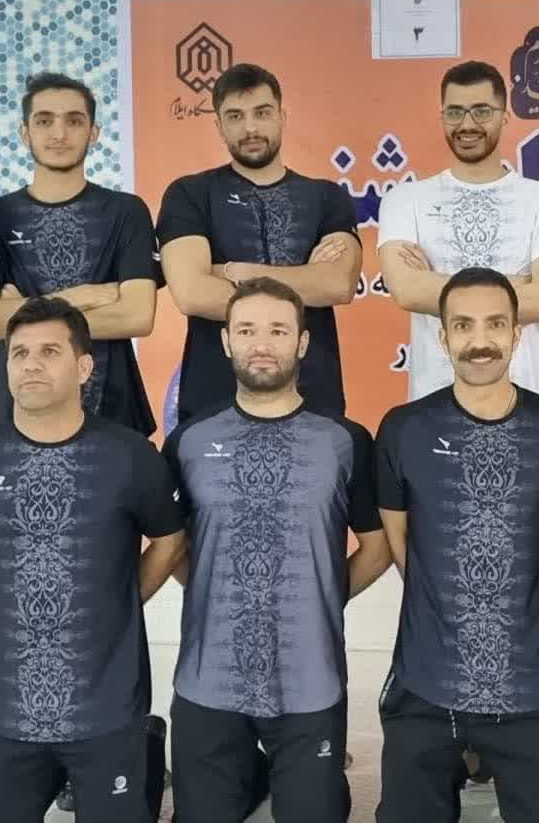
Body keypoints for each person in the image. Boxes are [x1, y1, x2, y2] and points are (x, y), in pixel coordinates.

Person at [0, 70, 164, 811]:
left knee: (111, 599)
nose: (58, 132)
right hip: (21, 423)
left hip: (116, 415)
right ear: (24, 131)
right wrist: (89, 296)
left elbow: (139, 314)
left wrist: (32, 307)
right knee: (18, 594)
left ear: (94, 132)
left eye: (74, 120)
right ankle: (7, 748)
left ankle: (110, 752)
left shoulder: (125, 212)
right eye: (44, 120)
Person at [0, 297, 186, 823]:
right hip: (5, 714)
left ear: (84, 366)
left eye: (49, 351)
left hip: (108, 712)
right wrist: (8, 595)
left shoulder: (132, 459)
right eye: (19, 353)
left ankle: (146, 743)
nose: (31, 364)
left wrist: (120, 597)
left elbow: (169, 541)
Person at [162, 276, 390, 822]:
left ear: (302, 343)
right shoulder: (188, 441)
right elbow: (172, 545)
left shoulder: (345, 441)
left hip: (310, 679)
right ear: (226, 341)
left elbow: (379, 547)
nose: (261, 344)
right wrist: (216, 590)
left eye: (278, 331)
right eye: (246, 330)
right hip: (208, 678)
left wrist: (324, 594)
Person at [374, 268, 539, 823]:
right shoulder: (403, 429)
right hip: (425, 680)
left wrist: (508, 608)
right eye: (463, 325)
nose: (480, 340)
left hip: (528, 682)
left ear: (516, 334)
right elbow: (402, 543)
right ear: (442, 336)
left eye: (495, 324)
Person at [158, 63, 361, 423]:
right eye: (235, 116)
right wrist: (305, 279)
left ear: (282, 116)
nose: (250, 128)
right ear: (219, 126)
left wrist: (235, 271)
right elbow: (191, 293)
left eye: (262, 113)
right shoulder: (189, 194)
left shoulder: (327, 197)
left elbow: (337, 284)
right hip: (213, 403)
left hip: (314, 400)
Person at [377, 60, 539, 401]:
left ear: (505, 116)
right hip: (433, 400)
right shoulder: (405, 200)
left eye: (481, 111)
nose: (467, 124)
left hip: (528, 400)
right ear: (442, 116)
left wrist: (436, 282)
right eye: (455, 112)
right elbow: (408, 291)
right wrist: (517, 284)